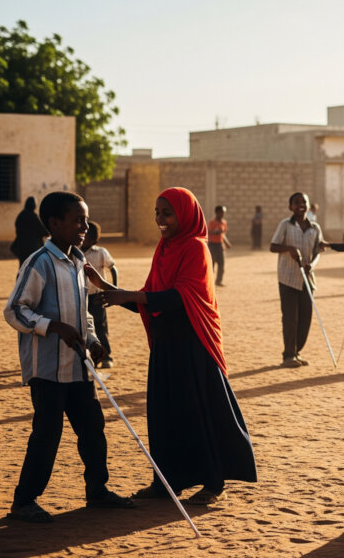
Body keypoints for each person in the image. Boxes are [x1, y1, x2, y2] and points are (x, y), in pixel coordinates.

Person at [88, 187, 257, 506]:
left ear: (186, 213)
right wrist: (109, 289)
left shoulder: (195, 247)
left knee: (197, 413)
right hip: (166, 346)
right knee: (164, 414)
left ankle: (212, 482)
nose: (160, 219)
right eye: (156, 212)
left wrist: (127, 295)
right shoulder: (165, 247)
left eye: (167, 213)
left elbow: (181, 297)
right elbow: (150, 300)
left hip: (192, 343)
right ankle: (167, 481)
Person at [3, 191, 134, 523]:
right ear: (54, 223)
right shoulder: (39, 262)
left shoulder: (79, 262)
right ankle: (24, 500)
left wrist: (92, 339)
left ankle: (97, 491)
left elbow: (83, 311)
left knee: (92, 427)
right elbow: (15, 311)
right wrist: (52, 326)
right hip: (46, 368)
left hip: (77, 365)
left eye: (85, 219)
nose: (84, 226)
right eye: (77, 219)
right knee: (47, 433)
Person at [270, 192, 323, 368]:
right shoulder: (285, 225)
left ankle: (297, 351)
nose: (300, 205)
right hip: (288, 278)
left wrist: (312, 265)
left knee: (305, 317)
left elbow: (318, 251)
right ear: (290, 207)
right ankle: (288, 355)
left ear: (308, 206)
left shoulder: (315, 228)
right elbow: (273, 246)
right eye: (296, 202)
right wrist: (289, 249)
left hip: (307, 279)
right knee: (290, 317)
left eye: (304, 202)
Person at [82, 220, 117, 369]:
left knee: (100, 327)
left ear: (94, 239)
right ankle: (91, 357)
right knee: (84, 327)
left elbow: (113, 268)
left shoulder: (101, 252)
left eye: (89, 236)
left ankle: (106, 356)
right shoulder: (75, 252)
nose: (84, 238)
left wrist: (113, 288)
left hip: (97, 296)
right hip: (81, 296)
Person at [10, 196, 49, 266]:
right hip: (33, 248)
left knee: (23, 267)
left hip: (21, 247)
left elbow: (18, 229)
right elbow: (43, 231)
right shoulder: (33, 216)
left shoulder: (21, 215)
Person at [207, 205, 232, 286]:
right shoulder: (212, 223)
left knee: (221, 264)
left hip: (220, 246)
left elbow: (223, 234)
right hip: (212, 245)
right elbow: (209, 232)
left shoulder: (224, 223)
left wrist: (227, 243)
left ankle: (219, 281)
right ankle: (209, 282)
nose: (222, 214)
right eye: (221, 212)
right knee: (211, 264)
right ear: (217, 212)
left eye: (223, 213)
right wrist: (215, 232)